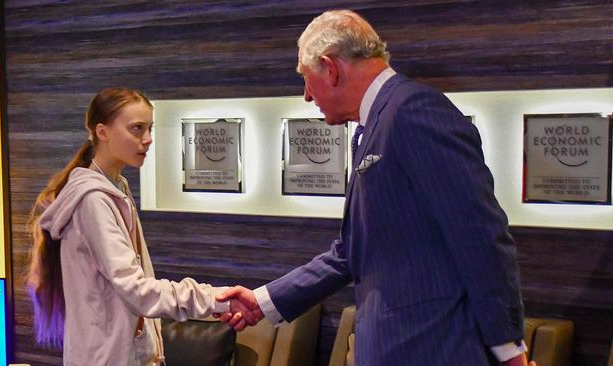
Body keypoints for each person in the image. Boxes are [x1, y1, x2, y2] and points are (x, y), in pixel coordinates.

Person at [217, 10, 534, 366]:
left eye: (306, 79)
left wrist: (509, 349)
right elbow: (351, 252)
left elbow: (481, 234)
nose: (307, 95)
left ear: (330, 67)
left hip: (433, 348)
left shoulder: (413, 110)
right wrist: (264, 301)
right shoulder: (374, 125)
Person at [26, 87, 255, 365]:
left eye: (149, 129)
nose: (147, 140)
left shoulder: (116, 188)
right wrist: (218, 298)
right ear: (102, 132)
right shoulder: (93, 201)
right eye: (136, 129)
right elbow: (138, 291)